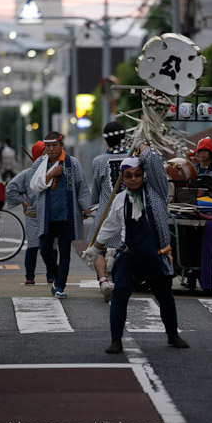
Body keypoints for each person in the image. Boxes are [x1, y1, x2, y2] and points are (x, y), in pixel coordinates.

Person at [83, 144, 190, 354]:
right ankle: (116, 340)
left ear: (143, 175)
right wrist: (95, 249)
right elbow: (109, 227)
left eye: (137, 174)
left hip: (156, 254)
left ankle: (172, 335)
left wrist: (143, 146)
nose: (133, 179)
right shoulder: (120, 200)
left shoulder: (157, 191)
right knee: (120, 294)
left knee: (165, 296)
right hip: (130, 254)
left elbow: (155, 166)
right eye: (128, 175)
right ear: (123, 178)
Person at [29, 131, 91, 299]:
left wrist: (85, 207)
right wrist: (50, 174)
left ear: (61, 145)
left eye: (54, 145)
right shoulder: (40, 164)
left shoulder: (73, 163)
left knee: (65, 253)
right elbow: (33, 185)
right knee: (44, 250)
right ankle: (57, 278)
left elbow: (82, 187)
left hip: (66, 215)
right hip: (46, 216)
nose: (50, 149)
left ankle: (60, 286)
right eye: (47, 146)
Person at [87, 121, 129, 302]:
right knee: (125, 248)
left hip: (106, 211)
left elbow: (96, 190)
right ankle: (121, 282)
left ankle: (103, 280)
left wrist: (90, 205)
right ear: (124, 137)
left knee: (96, 247)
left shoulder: (99, 161)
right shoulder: (132, 158)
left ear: (106, 139)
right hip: (128, 211)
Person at [6, 140, 57, 285]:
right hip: (34, 216)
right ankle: (30, 276)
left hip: (51, 216)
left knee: (52, 247)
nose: (47, 155)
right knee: (33, 246)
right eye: (43, 152)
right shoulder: (27, 174)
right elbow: (11, 189)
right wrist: (22, 201)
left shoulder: (56, 171)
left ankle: (51, 275)